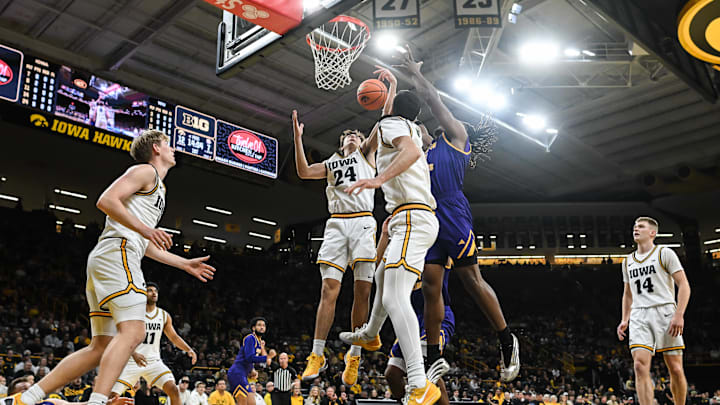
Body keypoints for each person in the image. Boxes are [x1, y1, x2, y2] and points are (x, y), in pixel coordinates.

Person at [7, 130, 216, 405]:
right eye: (168, 143)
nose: (173, 148)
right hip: (119, 255)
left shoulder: (158, 189)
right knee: (135, 332)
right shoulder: (147, 172)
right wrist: (146, 229)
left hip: (110, 257)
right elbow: (105, 200)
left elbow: (145, 243)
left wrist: (183, 263)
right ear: (156, 148)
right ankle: (97, 401)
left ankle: (28, 398)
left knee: (101, 346)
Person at [396, 45, 519, 382]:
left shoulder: (458, 139)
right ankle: (434, 354)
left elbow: (433, 102)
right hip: (428, 218)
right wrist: (394, 94)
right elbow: (413, 119)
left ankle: (506, 338)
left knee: (471, 280)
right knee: (432, 287)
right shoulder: (425, 148)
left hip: (452, 213)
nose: (447, 121)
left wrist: (416, 73)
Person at [292, 68, 395, 385]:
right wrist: (297, 139)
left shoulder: (367, 154)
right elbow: (304, 172)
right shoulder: (331, 164)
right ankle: (317, 355)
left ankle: (354, 357)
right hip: (336, 226)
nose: (352, 136)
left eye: (356, 134)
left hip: (363, 224)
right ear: (340, 143)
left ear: (363, 142)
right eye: (347, 135)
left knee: (362, 291)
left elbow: (383, 121)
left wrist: (391, 87)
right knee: (328, 289)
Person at [340, 85, 440, 404]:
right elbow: (398, 131)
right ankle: (370, 334)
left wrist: (377, 180)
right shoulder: (405, 125)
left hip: (411, 218)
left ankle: (419, 381)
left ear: (393, 109)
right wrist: (393, 90)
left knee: (396, 298)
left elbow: (408, 149)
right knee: (383, 278)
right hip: (407, 219)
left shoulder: (392, 127)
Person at [617, 217, 690, 405]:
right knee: (640, 366)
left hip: (665, 311)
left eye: (641, 226)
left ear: (652, 233)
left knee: (675, 368)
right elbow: (628, 294)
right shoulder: (627, 261)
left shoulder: (664, 253)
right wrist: (625, 319)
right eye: (634, 226)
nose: (636, 229)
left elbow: (684, 285)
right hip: (639, 314)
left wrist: (679, 314)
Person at [380, 217, 454, 405]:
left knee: (427, 369)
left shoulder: (436, 248)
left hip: (436, 316)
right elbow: (378, 264)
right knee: (392, 374)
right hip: (412, 318)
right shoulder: (403, 247)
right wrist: (385, 235)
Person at [110, 282, 196, 405]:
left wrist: (189, 349)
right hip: (130, 362)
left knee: (173, 390)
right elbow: (121, 337)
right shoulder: (132, 313)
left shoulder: (163, 315)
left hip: (154, 362)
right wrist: (134, 353)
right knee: (112, 397)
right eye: (149, 290)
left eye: (155, 291)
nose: (153, 292)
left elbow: (174, 337)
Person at [228, 318, 276, 405]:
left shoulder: (258, 341)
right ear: (253, 328)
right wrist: (267, 357)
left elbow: (263, 361)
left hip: (243, 374)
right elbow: (249, 358)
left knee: (252, 403)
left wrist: (252, 369)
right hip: (237, 373)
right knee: (242, 403)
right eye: (259, 325)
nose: (262, 327)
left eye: (263, 325)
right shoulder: (250, 338)